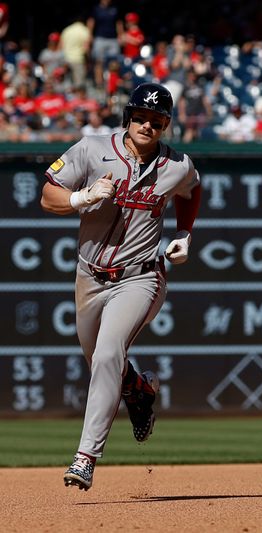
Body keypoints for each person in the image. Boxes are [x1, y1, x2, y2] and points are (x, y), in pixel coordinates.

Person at [40, 82, 201, 491]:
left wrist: (184, 232)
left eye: (157, 120)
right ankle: (140, 390)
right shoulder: (92, 149)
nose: (148, 125)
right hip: (89, 277)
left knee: (110, 351)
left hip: (141, 276)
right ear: (128, 117)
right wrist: (81, 198)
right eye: (141, 117)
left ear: (166, 125)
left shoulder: (176, 164)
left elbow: (192, 188)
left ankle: (85, 457)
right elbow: (47, 196)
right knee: (101, 363)